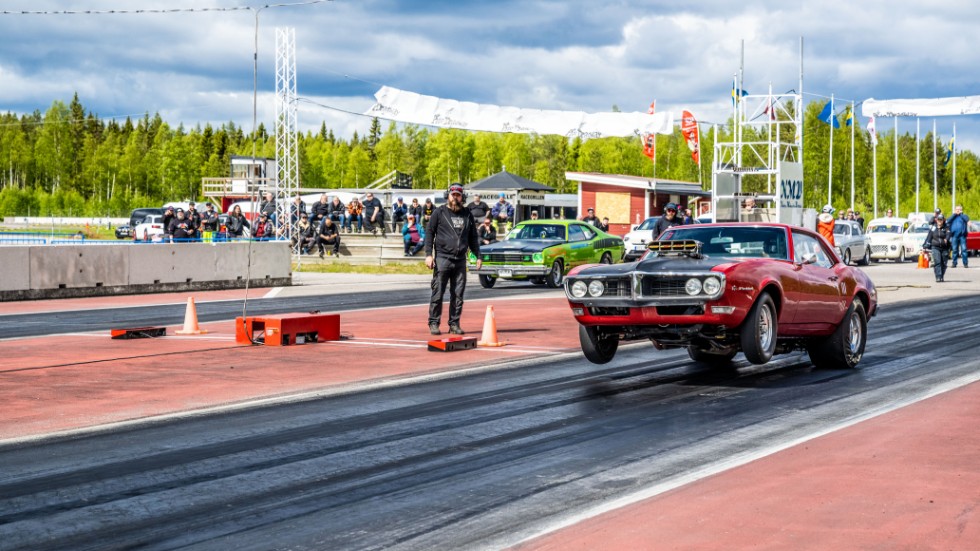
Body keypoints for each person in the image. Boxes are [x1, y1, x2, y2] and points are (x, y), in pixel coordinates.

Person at [425, 183, 481, 336]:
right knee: (438, 292)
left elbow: (473, 237)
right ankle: (434, 323)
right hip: (443, 258)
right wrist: (428, 254)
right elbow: (429, 232)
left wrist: (478, 255)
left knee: (458, 294)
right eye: (453, 194)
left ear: (462, 196)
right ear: (448, 195)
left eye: (458, 195)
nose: (455, 197)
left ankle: (454, 324)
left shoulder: (467, 214)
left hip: (460, 260)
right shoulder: (439, 212)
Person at [924, 213, 952, 282]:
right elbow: (929, 236)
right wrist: (925, 244)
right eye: (938, 220)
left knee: (944, 264)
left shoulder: (946, 227)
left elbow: (949, 234)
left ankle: (941, 275)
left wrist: (947, 239)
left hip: (945, 247)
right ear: (936, 220)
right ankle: (938, 276)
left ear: (943, 220)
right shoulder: (933, 227)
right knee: (937, 262)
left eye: (941, 220)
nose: (939, 221)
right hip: (935, 247)